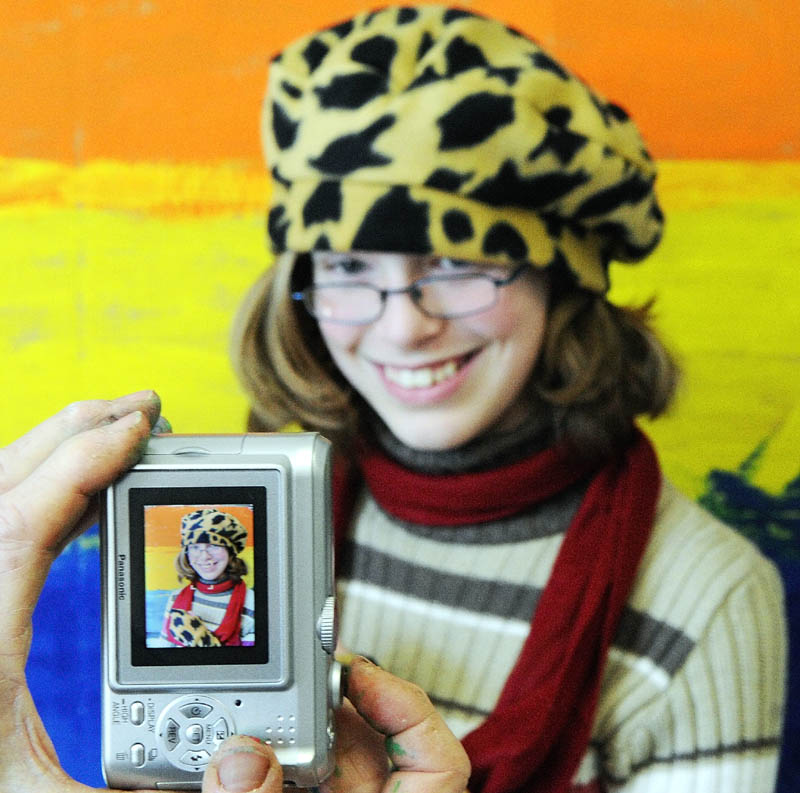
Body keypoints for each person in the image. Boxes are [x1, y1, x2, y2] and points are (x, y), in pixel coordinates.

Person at [231, 5, 788, 792]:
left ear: (564, 278)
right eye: (350, 267)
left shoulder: (708, 598)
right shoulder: (250, 534)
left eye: (457, 258)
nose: (404, 325)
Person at [0, 392, 470, 793]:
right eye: (197, 548)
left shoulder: (248, 603)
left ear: (231, 555)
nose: (207, 557)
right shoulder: (173, 606)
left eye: (216, 549)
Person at [160, 508, 256, 647]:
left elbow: (252, 665)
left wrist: (204, 642)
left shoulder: (252, 603)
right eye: (195, 547)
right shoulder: (175, 598)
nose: (204, 556)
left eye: (213, 546)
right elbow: (162, 654)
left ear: (231, 552)